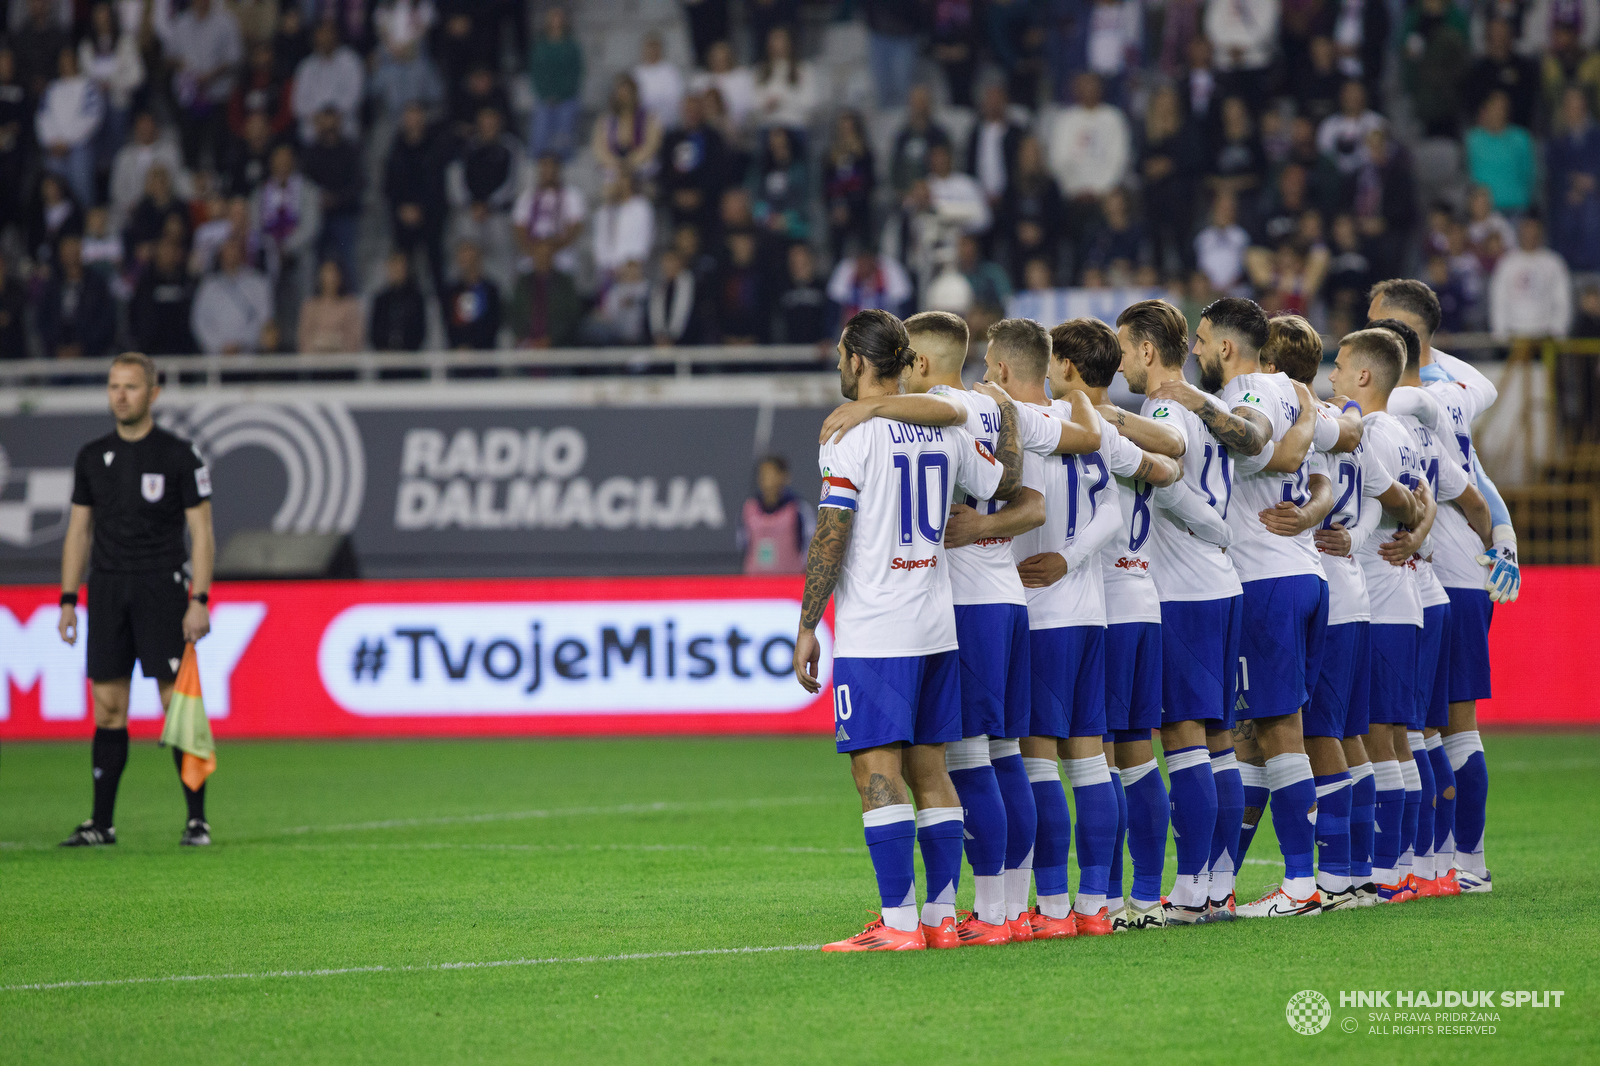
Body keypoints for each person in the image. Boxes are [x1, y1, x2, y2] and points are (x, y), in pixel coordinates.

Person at [791, 308, 1013, 952]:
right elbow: (999, 479)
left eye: (841, 354)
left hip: (878, 629)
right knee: (932, 771)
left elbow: (833, 532)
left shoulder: (847, 433)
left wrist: (808, 623)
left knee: (876, 770)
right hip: (936, 624)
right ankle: (941, 919)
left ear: (859, 360)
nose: (839, 365)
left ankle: (898, 926)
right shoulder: (941, 428)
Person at [1148, 297, 1337, 917]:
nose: (1195, 351)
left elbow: (1269, 452)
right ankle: (1223, 883)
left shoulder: (1248, 397)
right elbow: (1325, 448)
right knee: (1248, 736)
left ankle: (1303, 885)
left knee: (1279, 734)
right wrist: (1310, 442)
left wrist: (1193, 399)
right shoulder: (1289, 390)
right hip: (1299, 572)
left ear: (1227, 348)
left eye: (1202, 341)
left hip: (1264, 575)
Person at [1369, 280, 1518, 895]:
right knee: (1442, 728)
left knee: (1440, 729)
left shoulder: (1411, 404)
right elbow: (1473, 480)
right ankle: (1451, 863)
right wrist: (1501, 537)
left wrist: (1496, 538)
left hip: (1440, 572)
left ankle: (1449, 865)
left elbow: (1466, 484)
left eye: (1378, 323)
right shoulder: (1459, 392)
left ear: (1402, 332)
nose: (1367, 329)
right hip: (1459, 570)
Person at [1114, 299, 1245, 922]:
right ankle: (1217, 883)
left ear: (1145, 349)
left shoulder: (1162, 409)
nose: (1118, 361)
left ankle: (1192, 890)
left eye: (1122, 348)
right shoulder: (1206, 406)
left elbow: (1169, 485)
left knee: (1185, 738)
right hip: (1220, 586)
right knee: (1218, 741)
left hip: (1185, 588)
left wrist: (1217, 528)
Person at [57, 352, 216, 847]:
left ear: (153, 393)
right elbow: (79, 531)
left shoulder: (178, 455)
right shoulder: (91, 456)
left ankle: (196, 820)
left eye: (129, 386)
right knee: (107, 708)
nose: (119, 395)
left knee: (178, 704)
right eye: (112, 386)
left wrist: (201, 598)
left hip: (160, 588)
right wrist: (67, 598)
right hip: (106, 589)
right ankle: (101, 823)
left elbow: (203, 534)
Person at [385, 102, 450, 305]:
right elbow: (389, 184)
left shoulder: (436, 145)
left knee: (436, 270)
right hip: (403, 218)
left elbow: (437, 184)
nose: (413, 120)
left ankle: (443, 316)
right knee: (405, 273)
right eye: (409, 115)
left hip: (431, 217)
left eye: (417, 115)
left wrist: (422, 208)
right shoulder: (396, 147)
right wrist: (402, 208)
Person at [167, 0, 243, 169]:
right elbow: (169, 55)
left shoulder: (226, 21)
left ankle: (219, 184)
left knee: (218, 145)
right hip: (189, 95)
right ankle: (191, 185)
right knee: (190, 146)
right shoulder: (181, 22)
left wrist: (210, 75)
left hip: (217, 95)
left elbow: (235, 57)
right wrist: (185, 68)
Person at [301, 106, 363, 291]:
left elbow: (358, 183)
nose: (328, 125)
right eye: (324, 120)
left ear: (339, 121)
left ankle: (352, 303)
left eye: (332, 119)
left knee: (347, 261)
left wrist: (336, 198)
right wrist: (318, 199)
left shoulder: (350, 149)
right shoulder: (311, 152)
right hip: (317, 215)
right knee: (316, 263)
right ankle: (318, 305)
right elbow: (305, 183)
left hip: (345, 215)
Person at [35, 46, 103, 208]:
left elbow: (91, 118)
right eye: (63, 61)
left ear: (76, 62)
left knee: (81, 184)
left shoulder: (88, 86)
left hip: (79, 146)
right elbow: (43, 118)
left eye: (69, 60)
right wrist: (51, 141)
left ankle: (89, 219)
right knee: (52, 186)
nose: (66, 64)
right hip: (55, 148)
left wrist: (68, 142)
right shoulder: (52, 88)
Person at [1489, 215, 1573, 339]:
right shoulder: (1507, 262)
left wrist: (1558, 331)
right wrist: (1500, 333)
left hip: (1545, 335)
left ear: (1541, 233)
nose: (1530, 235)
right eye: (1526, 230)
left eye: (1534, 230)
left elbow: (1562, 300)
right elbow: (1498, 299)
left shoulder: (1553, 262)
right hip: (1514, 334)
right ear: (1519, 232)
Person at [37, 233, 116, 358]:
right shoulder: (52, 286)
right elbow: (43, 321)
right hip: (57, 355)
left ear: (81, 249)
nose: (71, 253)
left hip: (91, 355)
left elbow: (106, 321)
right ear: (60, 252)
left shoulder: (97, 284)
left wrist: (83, 348)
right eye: (67, 248)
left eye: (75, 247)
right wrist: (56, 349)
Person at [659, 92, 727, 233]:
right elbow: (664, 170)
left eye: (696, 110)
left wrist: (700, 193)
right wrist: (676, 194)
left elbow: (718, 171)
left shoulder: (713, 139)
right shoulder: (671, 139)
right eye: (688, 110)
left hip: (706, 202)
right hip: (675, 202)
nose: (692, 114)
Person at [192, 235, 273, 354]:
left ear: (242, 251)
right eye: (228, 248)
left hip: (249, 356)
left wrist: (241, 343)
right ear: (220, 253)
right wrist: (220, 345)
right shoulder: (209, 286)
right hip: (216, 358)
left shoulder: (258, 283)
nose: (231, 253)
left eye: (235, 248)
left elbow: (264, 319)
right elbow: (199, 321)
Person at [738, 454, 815, 574]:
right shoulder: (749, 508)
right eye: (764, 475)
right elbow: (743, 542)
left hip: (791, 582)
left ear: (785, 477)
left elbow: (810, 544)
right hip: (755, 582)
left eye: (773, 475)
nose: (768, 481)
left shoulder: (798, 508)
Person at [291, 19, 363, 144]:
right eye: (320, 34)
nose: (324, 38)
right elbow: (298, 104)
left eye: (328, 33)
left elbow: (355, 96)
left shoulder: (350, 61)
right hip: (313, 131)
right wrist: (320, 119)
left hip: (343, 129)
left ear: (335, 34)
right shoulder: (306, 66)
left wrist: (332, 119)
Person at [1465, 91, 1536, 214]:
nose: (1498, 112)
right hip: (1485, 210)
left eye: (1502, 108)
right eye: (1494, 107)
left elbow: (1529, 173)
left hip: (1516, 207)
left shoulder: (1521, 138)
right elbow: (1468, 172)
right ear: (1486, 110)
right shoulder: (1473, 139)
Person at [527, 5, 582, 160]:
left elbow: (575, 73)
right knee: (539, 136)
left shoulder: (571, 46)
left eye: (559, 17)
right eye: (553, 17)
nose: (556, 21)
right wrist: (546, 94)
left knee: (564, 138)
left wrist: (561, 94)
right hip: (544, 98)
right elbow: (536, 73)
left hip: (566, 98)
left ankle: (565, 168)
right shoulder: (540, 46)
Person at [131, 236, 199, 355]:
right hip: (152, 350)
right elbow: (137, 315)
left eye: (172, 250)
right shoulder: (146, 283)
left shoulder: (187, 283)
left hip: (182, 351)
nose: (168, 254)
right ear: (157, 252)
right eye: (165, 250)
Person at [822, 110, 874, 263]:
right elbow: (826, 187)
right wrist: (836, 206)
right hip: (837, 210)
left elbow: (869, 184)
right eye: (843, 129)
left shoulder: (865, 155)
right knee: (836, 228)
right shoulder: (830, 157)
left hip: (860, 209)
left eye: (849, 129)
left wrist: (858, 156)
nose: (846, 134)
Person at [510, 237, 581, 348]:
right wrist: (522, 337)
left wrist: (551, 340)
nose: (543, 258)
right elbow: (515, 313)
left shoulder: (565, 283)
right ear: (533, 256)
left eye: (546, 254)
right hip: (527, 344)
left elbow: (571, 316)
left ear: (552, 257)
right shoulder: (523, 282)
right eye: (539, 254)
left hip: (558, 345)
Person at [592, 73, 661, 180]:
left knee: (649, 166)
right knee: (608, 175)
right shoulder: (605, 121)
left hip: (639, 164)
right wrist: (615, 163)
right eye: (620, 93)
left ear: (634, 94)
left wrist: (632, 161)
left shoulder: (649, 119)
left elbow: (651, 145)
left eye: (627, 92)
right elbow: (599, 149)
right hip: (614, 165)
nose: (623, 97)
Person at [751, 25, 815, 135]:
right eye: (774, 40)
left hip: (794, 125)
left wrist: (782, 101)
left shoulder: (803, 70)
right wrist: (766, 105)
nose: (777, 45)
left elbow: (810, 102)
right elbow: (752, 103)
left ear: (789, 43)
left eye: (781, 40)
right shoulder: (759, 72)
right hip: (768, 126)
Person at [443, 239, 501, 350]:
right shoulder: (452, 291)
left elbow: (492, 323)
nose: (467, 261)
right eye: (463, 257)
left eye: (470, 257)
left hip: (484, 356)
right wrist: (459, 345)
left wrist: (474, 347)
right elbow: (450, 323)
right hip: (458, 356)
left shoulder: (490, 290)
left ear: (479, 258)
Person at [297, 258, 363, 353]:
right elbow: (303, 338)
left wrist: (335, 344)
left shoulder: (350, 305)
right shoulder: (310, 306)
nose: (330, 277)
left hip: (343, 362)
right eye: (326, 272)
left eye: (334, 273)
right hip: (315, 362)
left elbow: (355, 339)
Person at [369, 249, 428, 352]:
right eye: (394, 265)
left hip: (410, 358)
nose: (397, 269)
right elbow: (374, 333)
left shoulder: (416, 298)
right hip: (385, 358)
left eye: (400, 265)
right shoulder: (380, 300)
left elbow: (420, 331)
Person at [775, 242, 830, 344]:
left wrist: (827, 338)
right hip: (788, 353)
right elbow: (776, 323)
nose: (799, 266)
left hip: (818, 354)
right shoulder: (780, 290)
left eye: (803, 262)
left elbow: (831, 319)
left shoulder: (825, 289)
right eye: (794, 262)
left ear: (812, 261)